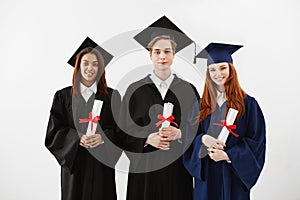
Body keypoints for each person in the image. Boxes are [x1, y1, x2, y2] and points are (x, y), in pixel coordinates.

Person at [118, 16, 199, 200]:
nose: (162, 56)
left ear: (174, 54)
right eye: (157, 52)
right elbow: (122, 131)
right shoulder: (134, 90)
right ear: (150, 54)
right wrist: (146, 139)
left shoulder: (188, 90)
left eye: (167, 51)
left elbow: (198, 126)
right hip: (144, 170)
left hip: (177, 169)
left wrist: (180, 134)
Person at [183, 42, 266, 200]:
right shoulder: (200, 106)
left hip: (234, 176)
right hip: (207, 178)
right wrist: (203, 139)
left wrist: (228, 156)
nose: (218, 74)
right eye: (212, 70)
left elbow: (257, 142)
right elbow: (187, 141)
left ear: (231, 70)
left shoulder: (248, 104)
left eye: (222, 68)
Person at [45, 37, 121, 200]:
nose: (90, 68)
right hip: (75, 167)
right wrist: (76, 137)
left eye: (95, 64)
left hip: (102, 168)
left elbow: (122, 132)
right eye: (86, 63)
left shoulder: (112, 97)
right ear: (78, 66)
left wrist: (103, 137)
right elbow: (54, 132)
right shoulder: (63, 97)